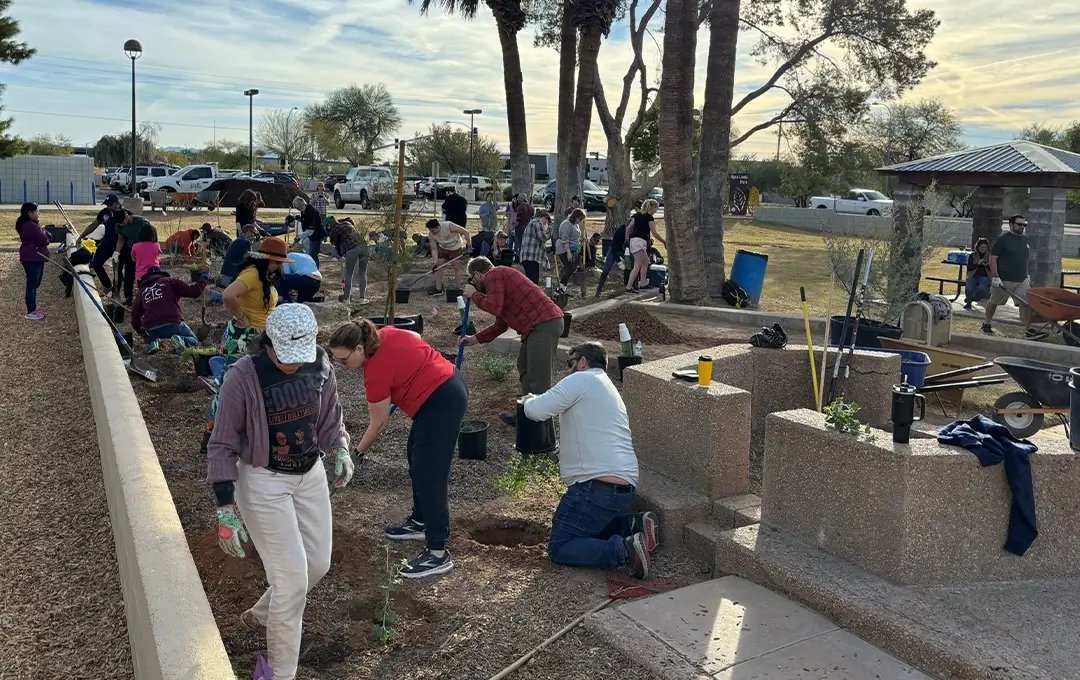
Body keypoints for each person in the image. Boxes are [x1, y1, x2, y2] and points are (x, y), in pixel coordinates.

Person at [207, 304, 353, 680]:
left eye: (297, 358)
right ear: (267, 343)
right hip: (263, 480)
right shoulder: (244, 376)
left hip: (309, 473)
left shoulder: (319, 364)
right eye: (284, 358)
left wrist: (339, 448)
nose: (292, 365)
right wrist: (225, 506)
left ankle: (260, 616)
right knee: (292, 582)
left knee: (317, 564)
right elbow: (222, 442)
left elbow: (329, 419)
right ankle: (280, 674)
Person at [328, 319, 467, 579]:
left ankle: (438, 552)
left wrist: (355, 453)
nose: (342, 366)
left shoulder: (375, 372)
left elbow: (379, 423)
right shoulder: (386, 334)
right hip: (447, 384)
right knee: (415, 456)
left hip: (442, 401)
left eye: (343, 360)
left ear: (359, 349)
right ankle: (420, 521)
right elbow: (415, 339)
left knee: (430, 476)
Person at [522, 342, 657, 579]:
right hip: (623, 488)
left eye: (570, 363)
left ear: (582, 361)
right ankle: (633, 525)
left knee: (560, 546)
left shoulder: (580, 380)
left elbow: (536, 410)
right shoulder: (606, 387)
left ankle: (624, 550)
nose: (569, 369)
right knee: (589, 525)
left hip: (595, 489)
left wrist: (528, 399)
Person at [460, 256, 564, 426]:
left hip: (544, 323)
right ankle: (527, 415)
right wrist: (475, 339)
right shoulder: (499, 281)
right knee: (524, 366)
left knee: (538, 377)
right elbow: (501, 324)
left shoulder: (495, 274)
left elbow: (493, 307)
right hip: (536, 327)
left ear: (478, 275)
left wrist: (475, 295)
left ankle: (541, 428)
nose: (474, 284)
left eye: (473, 280)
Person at [984, 215, 1045, 340]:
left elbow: (1023, 259)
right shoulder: (1002, 240)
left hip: (1021, 279)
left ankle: (1028, 330)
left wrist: (1026, 275)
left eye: (1024, 225)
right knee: (994, 301)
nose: (1022, 227)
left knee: (1026, 304)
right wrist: (995, 277)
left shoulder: (1024, 240)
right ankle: (986, 324)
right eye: (1019, 224)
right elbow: (992, 259)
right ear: (1011, 225)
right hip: (1004, 279)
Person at [131, 266, 207, 352]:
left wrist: (141, 331)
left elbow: (134, 316)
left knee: (152, 340)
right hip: (173, 324)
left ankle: (154, 343)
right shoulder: (170, 281)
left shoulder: (142, 291)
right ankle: (181, 340)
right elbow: (195, 291)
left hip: (151, 330)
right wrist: (204, 277)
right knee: (194, 341)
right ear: (161, 274)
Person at [80, 194, 124, 290]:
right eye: (106, 205)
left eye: (110, 205)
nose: (107, 207)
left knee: (117, 269)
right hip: (107, 242)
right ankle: (107, 285)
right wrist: (81, 236)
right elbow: (93, 225)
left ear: (116, 204)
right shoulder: (104, 213)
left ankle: (116, 293)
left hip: (121, 244)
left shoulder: (124, 214)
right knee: (96, 263)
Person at [596, 200, 639, 295]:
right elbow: (614, 248)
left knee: (633, 266)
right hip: (615, 250)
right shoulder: (620, 232)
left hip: (626, 250)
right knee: (606, 270)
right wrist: (619, 261)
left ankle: (633, 286)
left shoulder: (635, 232)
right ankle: (599, 290)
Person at [16, 202, 49, 320]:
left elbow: (43, 236)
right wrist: (45, 234)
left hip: (34, 257)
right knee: (32, 285)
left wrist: (43, 232)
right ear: (30, 213)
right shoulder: (30, 226)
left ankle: (32, 309)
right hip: (32, 257)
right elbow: (44, 240)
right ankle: (31, 311)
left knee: (35, 283)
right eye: (36, 211)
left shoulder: (30, 224)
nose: (38, 214)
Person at [625, 199, 666, 293]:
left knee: (646, 261)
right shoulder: (649, 218)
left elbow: (628, 229)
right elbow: (654, 233)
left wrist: (628, 239)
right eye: (656, 208)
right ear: (652, 208)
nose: (656, 210)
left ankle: (643, 284)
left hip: (634, 241)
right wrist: (664, 242)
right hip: (639, 242)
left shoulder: (637, 215)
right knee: (637, 265)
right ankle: (628, 287)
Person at [116, 211, 155, 305]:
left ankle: (148, 298)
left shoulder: (142, 222)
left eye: (124, 222)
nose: (123, 224)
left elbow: (152, 233)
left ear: (127, 216)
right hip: (131, 250)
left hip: (143, 252)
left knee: (144, 276)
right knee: (129, 275)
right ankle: (128, 297)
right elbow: (120, 239)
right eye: (121, 223)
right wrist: (116, 252)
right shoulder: (119, 226)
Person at [329, 217, 369, 305]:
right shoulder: (347, 223)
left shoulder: (334, 231)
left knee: (349, 274)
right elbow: (350, 219)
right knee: (363, 273)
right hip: (364, 246)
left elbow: (336, 245)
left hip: (351, 250)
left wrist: (340, 254)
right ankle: (362, 299)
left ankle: (347, 299)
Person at [425, 218, 470, 295]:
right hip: (443, 247)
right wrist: (435, 262)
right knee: (438, 267)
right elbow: (434, 248)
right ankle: (438, 289)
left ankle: (458, 289)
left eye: (433, 231)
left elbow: (466, 232)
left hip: (455, 247)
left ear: (438, 227)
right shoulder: (431, 235)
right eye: (430, 231)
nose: (432, 233)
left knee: (456, 267)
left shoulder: (449, 226)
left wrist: (469, 246)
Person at [518, 209, 552, 285]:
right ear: (544, 217)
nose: (546, 223)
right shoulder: (537, 222)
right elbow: (542, 237)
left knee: (533, 280)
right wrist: (550, 230)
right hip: (530, 256)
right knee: (532, 282)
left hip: (530, 257)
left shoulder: (533, 223)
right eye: (546, 220)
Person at [293, 196, 326, 267]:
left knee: (312, 254)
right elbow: (306, 221)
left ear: (303, 204)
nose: (299, 210)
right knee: (312, 254)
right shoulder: (304, 211)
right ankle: (314, 269)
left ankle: (315, 270)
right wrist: (301, 219)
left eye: (299, 208)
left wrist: (299, 237)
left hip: (317, 235)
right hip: (311, 235)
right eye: (298, 209)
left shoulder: (312, 212)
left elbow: (311, 229)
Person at [556, 208, 585, 287]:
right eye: (579, 219)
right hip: (564, 249)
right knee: (569, 269)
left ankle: (563, 288)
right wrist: (568, 252)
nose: (580, 221)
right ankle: (561, 287)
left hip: (573, 248)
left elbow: (574, 237)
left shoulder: (576, 224)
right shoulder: (566, 224)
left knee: (573, 268)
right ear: (575, 217)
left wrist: (581, 240)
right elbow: (565, 239)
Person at [963, 238, 991, 311]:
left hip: (985, 276)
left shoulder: (990, 256)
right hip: (973, 275)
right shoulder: (973, 255)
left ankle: (975, 298)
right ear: (978, 247)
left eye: (985, 247)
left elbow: (993, 269)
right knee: (969, 285)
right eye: (982, 247)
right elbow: (969, 267)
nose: (983, 249)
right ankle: (968, 303)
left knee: (982, 287)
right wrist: (978, 264)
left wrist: (987, 265)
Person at [131, 221, 162, 285]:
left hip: (141, 275)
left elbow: (133, 259)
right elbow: (157, 255)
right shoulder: (157, 245)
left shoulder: (135, 246)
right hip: (155, 273)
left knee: (143, 292)